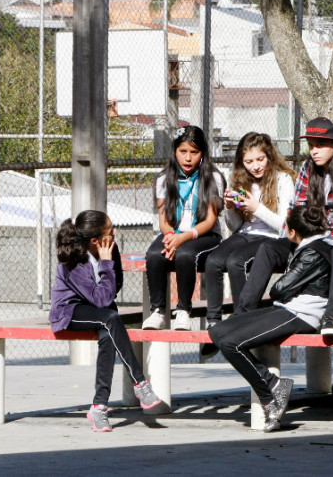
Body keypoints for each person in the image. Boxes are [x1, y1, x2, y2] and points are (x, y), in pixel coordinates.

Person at [235, 117, 333, 336]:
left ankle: (331, 317)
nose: (315, 151)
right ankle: (241, 317)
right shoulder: (307, 167)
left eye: (321, 145)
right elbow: (295, 208)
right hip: (316, 238)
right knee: (268, 248)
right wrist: (291, 237)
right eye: (312, 145)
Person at [209, 206, 333, 432]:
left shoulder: (313, 251)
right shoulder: (308, 245)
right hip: (288, 308)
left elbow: (279, 289)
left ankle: (270, 395)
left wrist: (285, 284)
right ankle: (274, 383)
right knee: (217, 331)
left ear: (292, 231)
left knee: (230, 344)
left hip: (303, 315)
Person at [50, 210, 162, 432]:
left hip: (100, 313)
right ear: (94, 240)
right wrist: (107, 262)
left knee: (108, 331)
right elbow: (102, 299)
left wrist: (108, 261)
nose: (115, 233)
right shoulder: (72, 261)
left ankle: (99, 407)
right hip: (69, 312)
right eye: (110, 230)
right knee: (110, 318)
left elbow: (113, 288)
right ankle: (140, 383)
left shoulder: (110, 247)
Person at [200, 133, 296, 358]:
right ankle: (213, 322)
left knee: (236, 262)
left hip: (272, 238)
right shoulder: (241, 180)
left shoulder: (283, 179)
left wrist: (256, 207)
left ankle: (241, 322)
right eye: (249, 161)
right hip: (245, 233)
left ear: (269, 156)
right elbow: (235, 226)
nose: (255, 166)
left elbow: (284, 226)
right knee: (213, 260)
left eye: (260, 159)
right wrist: (230, 208)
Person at [143, 125, 226, 331]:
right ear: (175, 152)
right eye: (183, 151)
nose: (188, 158)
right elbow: (164, 220)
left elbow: (209, 221)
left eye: (194, 152)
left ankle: (183, 310)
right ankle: (158, 311)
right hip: (175, 234)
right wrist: (171, 236)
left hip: (204, 234)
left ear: (202, 154)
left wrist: (183, 238)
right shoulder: (164, 178)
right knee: (154, 254)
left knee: (186, 254)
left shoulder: (213, 178)